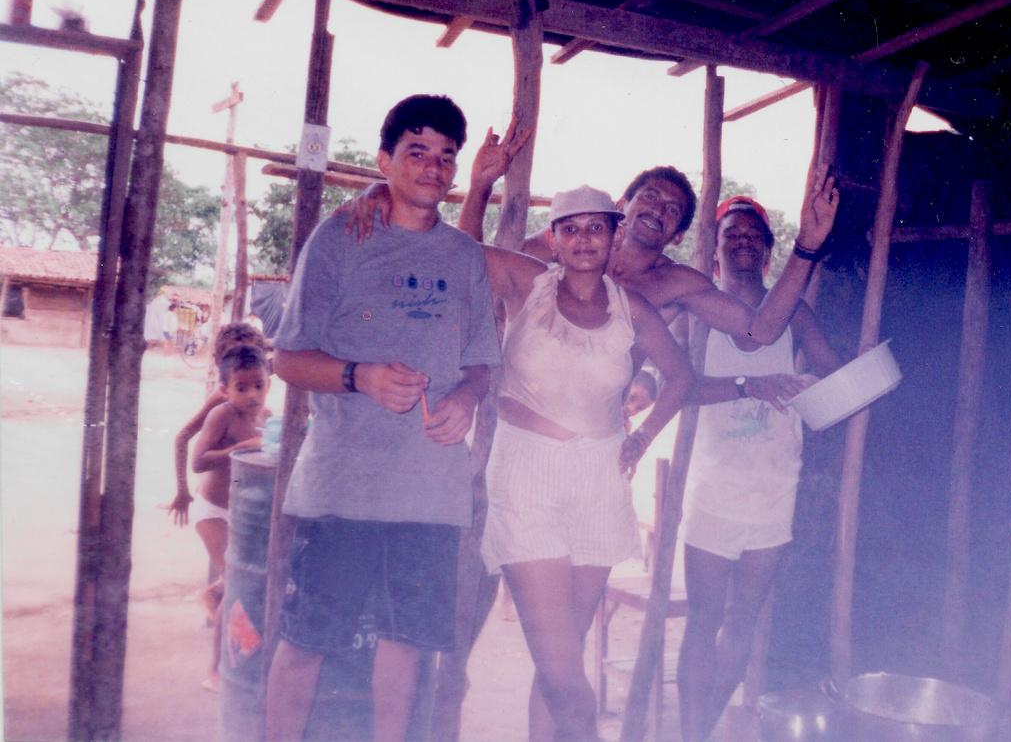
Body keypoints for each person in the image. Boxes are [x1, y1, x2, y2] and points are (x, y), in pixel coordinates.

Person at [263, 94, 502, 742]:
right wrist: (359, 376)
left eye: (445, 156)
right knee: (305, 642)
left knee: (406, 646)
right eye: (416, 151)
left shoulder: (464, 256)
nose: (433, 167)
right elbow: (286, 358)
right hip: (343, 487)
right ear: (384, 161)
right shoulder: (341, 236)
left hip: (431, 492)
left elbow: (482, 362)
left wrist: (466, 398)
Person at [477, 184, 694, 742]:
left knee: (563, 657)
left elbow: (681, 376)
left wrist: (641, 439)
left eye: (596, 227)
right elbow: (456, 250)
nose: (583, 239)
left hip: (599, 482)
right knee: (562, 671)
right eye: (569, 228)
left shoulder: (632, 309)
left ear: (614, 236)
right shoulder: (527, 282)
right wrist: (477, 187)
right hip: (526, 479)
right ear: (552, 239)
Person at [347, 146, 840, 345]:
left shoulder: (676, 284)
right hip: (518, 421)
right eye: (650, 196)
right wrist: (477, 187)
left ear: (678, 235)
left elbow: (759, 332)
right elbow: (468, 268)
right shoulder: (561, 246)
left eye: (673, 210)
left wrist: (807, 245)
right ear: (623, 205)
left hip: (601, 439)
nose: (659, 208)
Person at [676, 196, 841, 742]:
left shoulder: (794, 312)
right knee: (703, 622)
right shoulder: (698, 313)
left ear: (769, 253)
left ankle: (696, 732)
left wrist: (816, 384)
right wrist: (752, 386)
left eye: (753, 234)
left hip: (774, 488)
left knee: (741, 624)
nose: (743, 240)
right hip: (712, 488)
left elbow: (836, 378)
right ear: (715, 252)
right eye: (732, 234)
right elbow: (680, 388)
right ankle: (690, 732)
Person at [188, 343, 274, 692]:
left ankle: (212, 594)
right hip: (211, 512)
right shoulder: (221, 415)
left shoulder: (267, 418)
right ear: (225, 389)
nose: (252, 395)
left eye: (259, 385)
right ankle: (215, 671)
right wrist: (236, 450)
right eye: (242, 387)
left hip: (241, 512)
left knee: (245, 576)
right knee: (238, 583)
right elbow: (198, 461)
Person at [169, 322, 270, 527]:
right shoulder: (222, 400)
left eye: (250, 353)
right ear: (218, 362)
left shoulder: (259, 389)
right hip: (215, 500)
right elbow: (183, 436)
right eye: (233, 355)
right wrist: (182, 490)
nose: (243, 359)